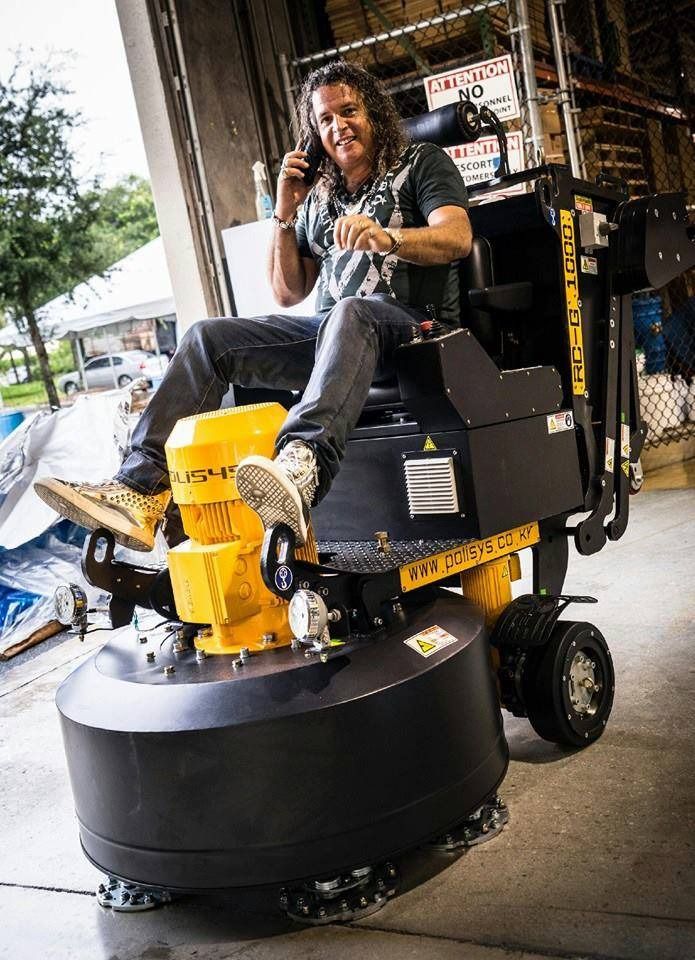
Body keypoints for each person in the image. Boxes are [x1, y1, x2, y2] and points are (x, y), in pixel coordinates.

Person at [35, 60, 472, 552]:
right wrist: (284, 213)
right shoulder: (319, 197)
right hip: (336, 338)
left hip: (415, 331)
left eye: (348, 111)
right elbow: (287, 292)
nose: (338, 126)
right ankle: (139, 492)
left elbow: (456, 237)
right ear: (313, 135)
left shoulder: (421, 161)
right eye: (324, 120)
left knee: (354, 309)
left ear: (373, 112)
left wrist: (387, 237)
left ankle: (302, 463)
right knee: (207, 338)